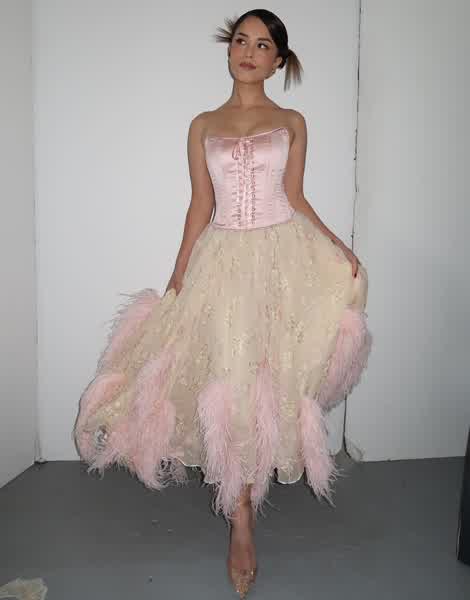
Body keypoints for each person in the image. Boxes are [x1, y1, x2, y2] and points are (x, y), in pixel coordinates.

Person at [73, 8, 373, 598]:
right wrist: (179, 275)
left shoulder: (291, 120)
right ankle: (241, 520)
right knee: (229, 385)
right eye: (241, 40)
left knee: (268, 380)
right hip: (223, 260)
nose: (248, 52)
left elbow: (295, 196)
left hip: (283, 258)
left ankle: (249, 498)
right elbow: (199, 205)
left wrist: (338, 246)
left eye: (262, 45)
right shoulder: (203, 123)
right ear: (229, 49)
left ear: (278, 61)